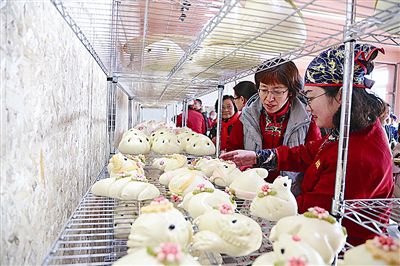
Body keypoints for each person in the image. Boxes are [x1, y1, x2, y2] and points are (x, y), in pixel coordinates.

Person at [221, 44, 394, 245]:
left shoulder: (359, 153)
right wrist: (259, 157)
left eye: (310, 97)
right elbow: (309, 152)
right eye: (264, 90)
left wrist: (262, 198)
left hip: (342, 248)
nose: (308, 106)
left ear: (340, 96)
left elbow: (317, 207)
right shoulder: (349, 130)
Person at [239, 59, 322, 194]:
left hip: (288, 195)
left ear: (290, 92)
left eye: (277, 91)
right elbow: (234, 151)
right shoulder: (247, 117)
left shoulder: (307, 120)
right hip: (251, 191)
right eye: (264, 90)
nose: (269, 98)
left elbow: (313, 161)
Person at [224, 81, 259, 151]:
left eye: (235, 98)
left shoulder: (242, 120)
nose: (234, 101)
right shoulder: (261, 114)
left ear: (242, 99)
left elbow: (233, 147)